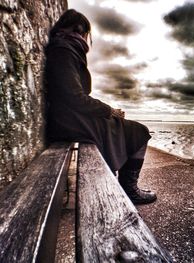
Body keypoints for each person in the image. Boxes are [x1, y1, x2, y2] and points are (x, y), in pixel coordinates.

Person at [44, 9, 156, 204]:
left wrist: (108, 113)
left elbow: (73, 96)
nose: (86, 38)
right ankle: (129, 190)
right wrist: (109, 111)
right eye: (86, 33)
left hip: (70, 118)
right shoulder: (63, 50)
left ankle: (126, 188)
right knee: (139, 131)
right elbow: (73, 96)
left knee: (130, 129)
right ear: (80, 30)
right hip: (70, 122)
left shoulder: (65, 48)